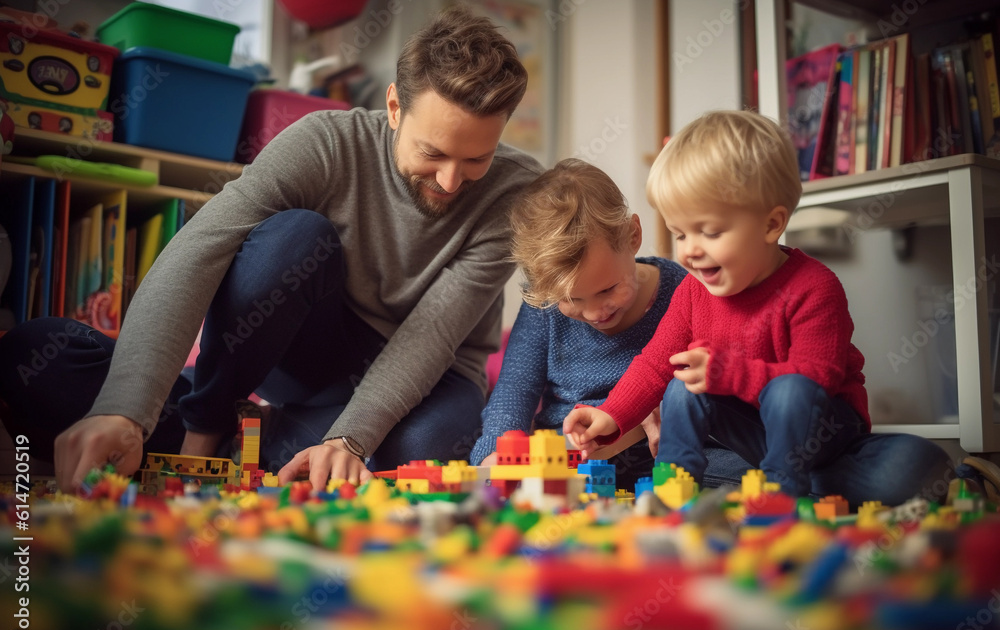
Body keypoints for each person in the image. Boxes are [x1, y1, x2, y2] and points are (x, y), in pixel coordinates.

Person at [0, 6, 543, 494]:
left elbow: (433, 334)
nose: (451, 182)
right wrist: (125, 409)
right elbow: (200, 248)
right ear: (395, 108)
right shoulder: (326, 142)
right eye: (434, 153)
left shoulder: (517, 191)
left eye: (477, 160)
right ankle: (207, 430)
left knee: (430, 450)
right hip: (307, 352)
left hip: (428, 376)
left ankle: (258, 445)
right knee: (31, 357)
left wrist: (350, 440)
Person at [563, 110, 953, 507]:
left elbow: (815, 382)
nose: (690, 250)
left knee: (917, 464)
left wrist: (728, 372)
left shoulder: (814, 287)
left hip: (825, 434)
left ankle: (783, 488)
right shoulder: (694, 291)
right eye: (680, 233)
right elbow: (653, 364)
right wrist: (610, 417)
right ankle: (675, 486)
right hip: (758, 439)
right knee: (683, 381)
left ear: (771, 225)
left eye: (710, 232)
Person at [468, 159, 689, 490]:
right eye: (572, 300)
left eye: (607, 290)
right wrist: (495, 455)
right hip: (569, 457)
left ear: (633, 236)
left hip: (659, 450)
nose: (594, 312)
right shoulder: (544, 310)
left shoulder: (682, 291)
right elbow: (514, 392)